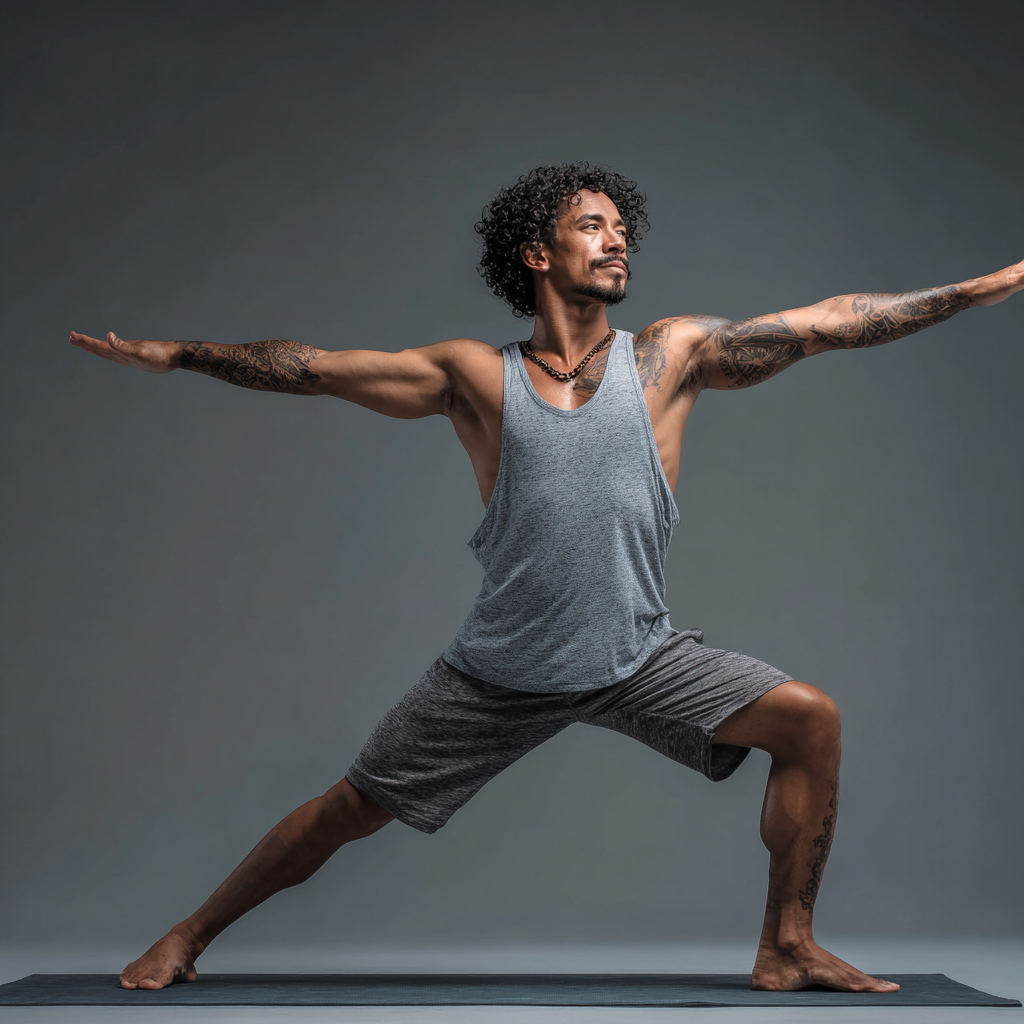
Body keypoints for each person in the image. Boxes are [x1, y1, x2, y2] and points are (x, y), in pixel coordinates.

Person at [70, 162, 1022, 994]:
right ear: (536, 253)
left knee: (808, 718)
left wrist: (976, 290)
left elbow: (828, 324)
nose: (618, 243)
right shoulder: (474, 376)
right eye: (593, 226)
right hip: (499, 669)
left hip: (639, 655)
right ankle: (189, 935)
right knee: (345, 813)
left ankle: (788, 945)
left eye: (622, 229)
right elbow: (315, 368)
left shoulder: (669, 359)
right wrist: (183, 355)